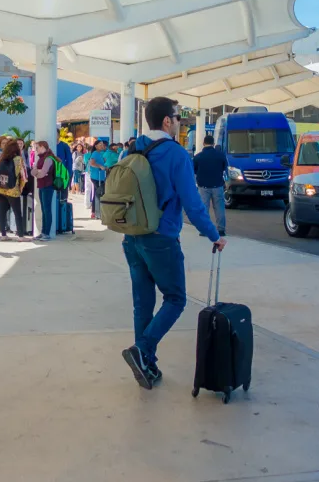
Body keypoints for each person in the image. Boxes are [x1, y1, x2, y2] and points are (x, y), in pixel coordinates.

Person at [121, 97, 226, 390]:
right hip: (162, 238)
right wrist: (214, 235)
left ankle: (147, 364)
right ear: (167, 121)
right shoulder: (176, 154)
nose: (180, 122)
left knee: (142, 303)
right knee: (176, 298)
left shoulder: (132, 147)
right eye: (178, 117)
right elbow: (193, 205)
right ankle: (143, 351)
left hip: (132, 237)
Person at [0, 139, 30, 242]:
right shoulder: (18, 159)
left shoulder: (1, 158)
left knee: (2, 212)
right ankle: (21, 236)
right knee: (17, 213)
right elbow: (24, 176)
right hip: (13, 190)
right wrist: (21, 188)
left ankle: (3, 235)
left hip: (0, 189)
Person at [194, 134, 229, 237]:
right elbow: (224, 168)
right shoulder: (220, 155)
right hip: (217, 185)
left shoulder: (198, 157)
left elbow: (194, 170)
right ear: (213, 144)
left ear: (203, 143)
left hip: (203, 186)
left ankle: (204, 230)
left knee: (204, 209)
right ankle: (221, 230)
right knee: (219, 208)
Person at [31, 141, 57, 241]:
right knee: (44, 209)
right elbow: (34, 172)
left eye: (37, 147)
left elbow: (40, 173)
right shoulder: (41, 158)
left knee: (47, 209)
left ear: (42, 147)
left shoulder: (48, 159)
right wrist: (39, 172)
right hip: (42, 186)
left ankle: (46, 233)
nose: (36, 149)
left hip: (47, 186)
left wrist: (38, 172)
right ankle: (43, 232)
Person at [88, 139, 108, 219]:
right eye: (100, 144)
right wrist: (100, 166)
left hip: (101, 177)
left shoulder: (100, 154)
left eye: (102, 144)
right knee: (98, 194)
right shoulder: (95, 153)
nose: (101, 145)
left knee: (98, 193)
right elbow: (92, 163)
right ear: (95, 146)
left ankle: (96, 211)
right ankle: (95, 212)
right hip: (96, 177)